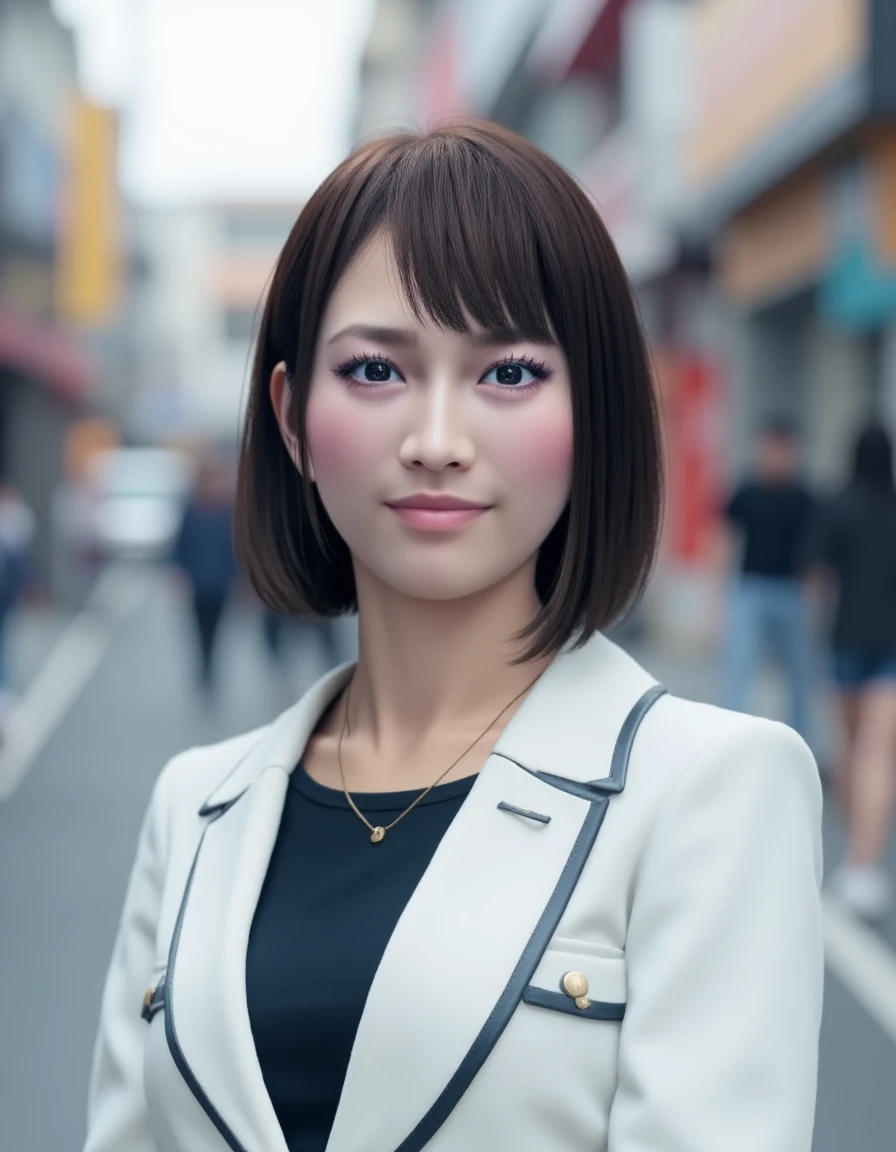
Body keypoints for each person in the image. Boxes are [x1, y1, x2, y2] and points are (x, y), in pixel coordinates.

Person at [84, 122, 823, 1152]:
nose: (436, 442)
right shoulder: (194, 808)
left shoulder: (709, 790)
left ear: (594, 412)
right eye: (376, 373)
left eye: (508, 373)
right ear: (292, 418)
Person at [802, 423, 896, 919]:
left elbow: (814, 573)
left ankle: (856, 859)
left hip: (846, 642)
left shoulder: (839, 505)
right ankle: (865, 866)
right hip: (891, 646)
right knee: (879, 755)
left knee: (852, 751)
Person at [718, 418, 817, 747]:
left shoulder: (804, 498)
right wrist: (716, 589)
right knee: (740, 668)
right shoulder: (746, 493)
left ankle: (801, 744)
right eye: (771, 449)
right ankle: (733, 740)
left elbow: (815, 552)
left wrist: (814, 594)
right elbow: (723, 538)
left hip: (790, 592)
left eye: (783, 450)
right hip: (750, 590)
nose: (777, 457)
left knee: (800, 673)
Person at [170, 458, 239, 696]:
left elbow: (235, 550)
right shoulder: (190, 512)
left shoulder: (225, 513)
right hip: (198, 583)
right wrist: (179, 575)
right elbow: (179, 547)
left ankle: (211, 668)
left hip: (220, 583)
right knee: (199, 630)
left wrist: (239, 580)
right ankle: (204, 668)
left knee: (217, 630)